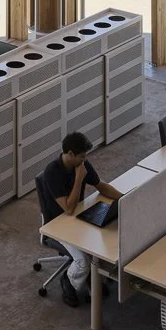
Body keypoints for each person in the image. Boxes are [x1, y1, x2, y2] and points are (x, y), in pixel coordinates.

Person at [43, 131, 125, 308]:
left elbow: (100, 186)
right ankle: (69, 281)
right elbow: (69, 208)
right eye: (81, 156)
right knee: (83, 261)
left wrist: (125, 198)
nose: (85, 159)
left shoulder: (81, 163)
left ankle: (90, 277)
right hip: (58, 225)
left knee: (108, 239)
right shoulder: (52, 172)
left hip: (78, 219)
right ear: (70, 154)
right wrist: (79, 179)